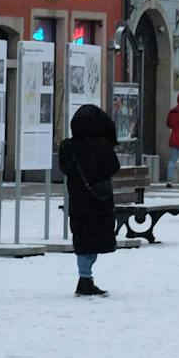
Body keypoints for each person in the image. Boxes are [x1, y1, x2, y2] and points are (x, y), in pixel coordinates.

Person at [59, 103, 120, 298]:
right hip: (98, 200)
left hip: (78, 199)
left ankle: (84, 277)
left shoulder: (67, 146)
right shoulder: (101, 145)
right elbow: (113, 167)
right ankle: (85, 279)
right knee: (94, 239)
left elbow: (65, 169)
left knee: (83, 238)